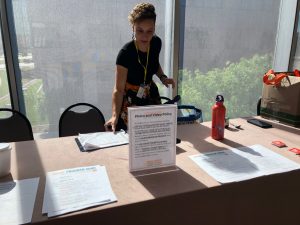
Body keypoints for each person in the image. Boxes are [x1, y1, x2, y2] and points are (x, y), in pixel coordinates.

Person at [105, 2, 175, 132]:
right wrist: (114, 115)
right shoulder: (125, 53)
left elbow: (154, 63)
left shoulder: (156, 43)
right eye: (140, 30)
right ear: (133, 27)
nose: (145, 36)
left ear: (154, 28)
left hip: (150, 92)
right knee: (133, 135)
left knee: (154, 132)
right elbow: (118, 89)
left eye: (150, 31)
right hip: (131, 98)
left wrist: (163, 77)